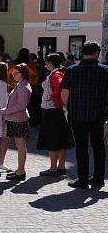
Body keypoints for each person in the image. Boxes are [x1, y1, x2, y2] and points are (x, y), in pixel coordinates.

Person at [60, 41, 108, 189]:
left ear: (83, 53)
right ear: (96, 53)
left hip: (78, 114)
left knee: (81, 148)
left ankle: (82, 179)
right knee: (99, 147)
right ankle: (98, 178)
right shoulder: (105, 70)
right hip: (99, 115)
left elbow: (64, 93)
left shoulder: (72, 70)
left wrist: (68, 108)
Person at [37, 53, 74, 177]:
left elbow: (59, 87)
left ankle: (53, 168)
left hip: (52, 111)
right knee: (61, 140)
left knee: (52, 139)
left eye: (47, 62)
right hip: (57, 110)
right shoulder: (59, 72)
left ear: (50, 63)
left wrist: (52, 96)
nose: (45, 64)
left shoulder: (55, 74)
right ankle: (61, 167)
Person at [0, 63, 32, 181]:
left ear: (22, 73)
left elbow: (21, 106)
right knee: (20, 145)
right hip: (16, 118)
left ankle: (21, 172)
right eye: (12, 73)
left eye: (16, 73)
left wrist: (6, 111)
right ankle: (20, 170)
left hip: (19, 119)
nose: (13, 75)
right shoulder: (21, 84)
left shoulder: (23, 86)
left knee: (20, 146)